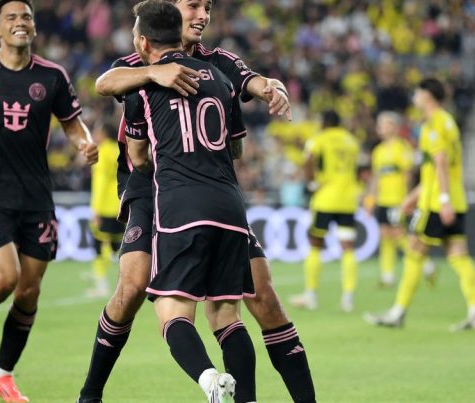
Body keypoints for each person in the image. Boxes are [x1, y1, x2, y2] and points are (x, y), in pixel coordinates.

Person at [78, 1, 315, 402]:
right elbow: (108, 81)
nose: (203, 14)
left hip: (200, 185)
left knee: (263, 297)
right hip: (152, 188)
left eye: (207, 6)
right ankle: (90, 394)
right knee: (133, 286)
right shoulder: (141, 61)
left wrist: (268, 87)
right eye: (193, 5)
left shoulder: (217, 61)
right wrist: (153, 71)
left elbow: (251, 80)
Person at [0, 1, 98, 401]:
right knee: (4, 278)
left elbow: (72, 123)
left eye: (26, 17)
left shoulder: (53, 76)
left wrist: (85, 144)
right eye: (11, 18)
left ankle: (2, 375)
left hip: (37, 196)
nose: (20, 23)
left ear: (34, 28)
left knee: (29, 292)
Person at [124, 1, 255, 400]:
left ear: (143, 42)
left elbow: (137, 155)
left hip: (181, 207)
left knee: (172, 310)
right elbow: (236, 151)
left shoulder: (143, 82)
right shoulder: (220, 77)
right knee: (227, 316)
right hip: (231, 206)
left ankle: (209, 380)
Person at [365, 78, 475, 331]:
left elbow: (440, 162)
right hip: (450, 198)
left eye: (418, 92)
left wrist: (442, 200)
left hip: (436, 204)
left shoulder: (435, 123)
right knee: (458, 256)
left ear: (427, 95)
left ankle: (397, 313)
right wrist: (413, 197)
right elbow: (434, 170)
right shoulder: (447, 121)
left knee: (414, 253)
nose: (415, 96)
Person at [289, 110, 360, 312]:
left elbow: (308, 160)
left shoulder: (318, 139)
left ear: (324, 122)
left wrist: (312, 183)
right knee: (348, 247)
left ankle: (311, 295)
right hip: (347, 199)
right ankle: (348, 298)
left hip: (326, 198)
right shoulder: (351, 141)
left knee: (315, 244)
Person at [367, 112, 414, 287]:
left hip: (397, 198)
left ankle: (424, 264)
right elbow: (375, 178)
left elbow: (408, 174)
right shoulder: (378, 151)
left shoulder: (403, 148)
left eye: (386, 124)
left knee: (398, 233)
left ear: (395, 127)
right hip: (383, 199)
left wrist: (408, 198)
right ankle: (388, 276)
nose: (382, 128)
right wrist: (371, 199)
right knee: (385, 235)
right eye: (381, 124)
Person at [87, 124, 124, 297]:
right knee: (120, 247)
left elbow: (100, 182)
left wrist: (95, 209)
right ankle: (125, 281)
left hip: (105, 207)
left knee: (100, 246)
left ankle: (101, 284)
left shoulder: (101, 152)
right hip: (121, 204)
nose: (94, 134)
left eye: (96, 131)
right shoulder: (120, 149)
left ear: (104, 133)